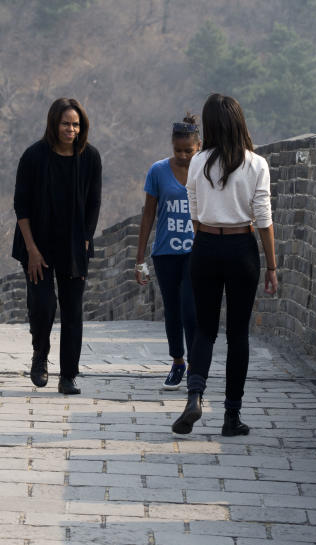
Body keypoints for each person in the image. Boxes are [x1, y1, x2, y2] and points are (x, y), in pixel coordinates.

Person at [171, 93, 278, 436]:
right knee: (237, 335)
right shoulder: (256, 164)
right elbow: (263, 218)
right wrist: (272, 266)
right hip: (241, 248)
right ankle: (231, 417)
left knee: (205, 329)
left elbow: (192, 210)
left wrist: (205, 237)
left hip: (204, 245)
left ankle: (195, 395)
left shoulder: (199, 161)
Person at [11, 97, 102, 395]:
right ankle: (40, 353)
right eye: (66, 123)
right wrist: (32, 250)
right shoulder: (34, 157)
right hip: (37, 243)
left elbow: (93, 203)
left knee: (73, 310)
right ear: (54, 123)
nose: (71, 129)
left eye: (76, 124)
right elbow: (21, 206)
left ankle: (69, 375)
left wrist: (86, 239)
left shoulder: (90, 158)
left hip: (74, 244)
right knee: (43, 303)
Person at [135, 113, 201, 390]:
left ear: (199, 146)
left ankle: (197, 366)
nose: (184, 155)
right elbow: (148, 214)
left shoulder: (206, 170)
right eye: (178, 150)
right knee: (172, 310)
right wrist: (140, 259)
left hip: (196, 251)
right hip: (164, 253)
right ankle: (177, 362)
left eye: (189, 150)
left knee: (190, 309)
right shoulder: (158, 171)